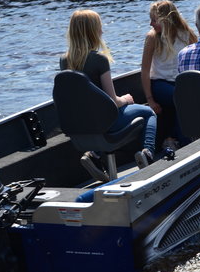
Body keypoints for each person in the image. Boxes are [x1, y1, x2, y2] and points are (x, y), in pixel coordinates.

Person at [60, 10, 156, 179]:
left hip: (80, 123)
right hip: (106, 124)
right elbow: (114, 101)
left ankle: (95, 156)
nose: (102, 31)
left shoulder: (64, 60)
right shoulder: (99, 60)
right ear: (92, 31)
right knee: (149, 112)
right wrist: (126, 99)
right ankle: (147, 154)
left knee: (102, 116)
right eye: (99, 27)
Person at [141, 0, 198, 150]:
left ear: (166, 20)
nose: (151, 23)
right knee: (183, 97)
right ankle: (185, 144)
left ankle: (171, 139)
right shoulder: (152, 37)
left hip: (181, 83)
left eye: (154, 20)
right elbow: (145, 70)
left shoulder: (187, 34)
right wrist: (150, 100)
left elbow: (197, 57)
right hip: (160, 84)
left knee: (187, 96)